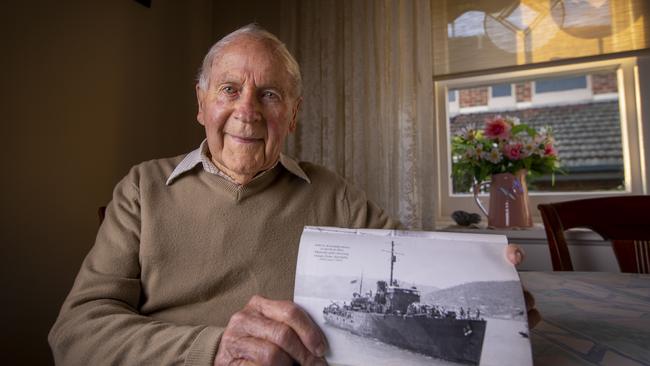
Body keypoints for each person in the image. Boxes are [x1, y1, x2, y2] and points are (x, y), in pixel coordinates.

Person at [49, 24, 538, 366]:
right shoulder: (143, 187)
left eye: (269, 95)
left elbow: (412, 261)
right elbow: (75, 334)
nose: (248, 111)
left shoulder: (333, 194)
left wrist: (490, 284)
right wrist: (216, 351)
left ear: (293, 115)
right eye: (228, 89)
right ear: (201, 104)